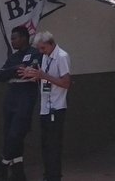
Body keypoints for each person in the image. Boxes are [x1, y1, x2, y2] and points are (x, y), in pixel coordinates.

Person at [20, 31, 71, 181]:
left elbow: (66, 83)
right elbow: (45, 78)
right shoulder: (45, 57)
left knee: (54, 146)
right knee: (46, 146)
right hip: (45, 107)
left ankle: (54, 176)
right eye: (39, 49)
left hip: (56, 108)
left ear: (51, 43)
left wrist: (43, 75)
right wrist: (35, 76)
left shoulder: (62, 57)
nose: (41, 52)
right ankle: (48, 175)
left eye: (43, 48)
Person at [0, 25, 41, 181]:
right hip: (11, 98)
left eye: (14, 38)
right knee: (9, 134)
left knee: (16, 134)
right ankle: (18, 173)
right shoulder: (13, 57)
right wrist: (15, 69)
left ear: (24, 38)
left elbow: (30, 72)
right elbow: (0, 75)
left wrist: (20, 72)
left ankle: (3, 162)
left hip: (25, 98)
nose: (12, 41)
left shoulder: (35, 53)